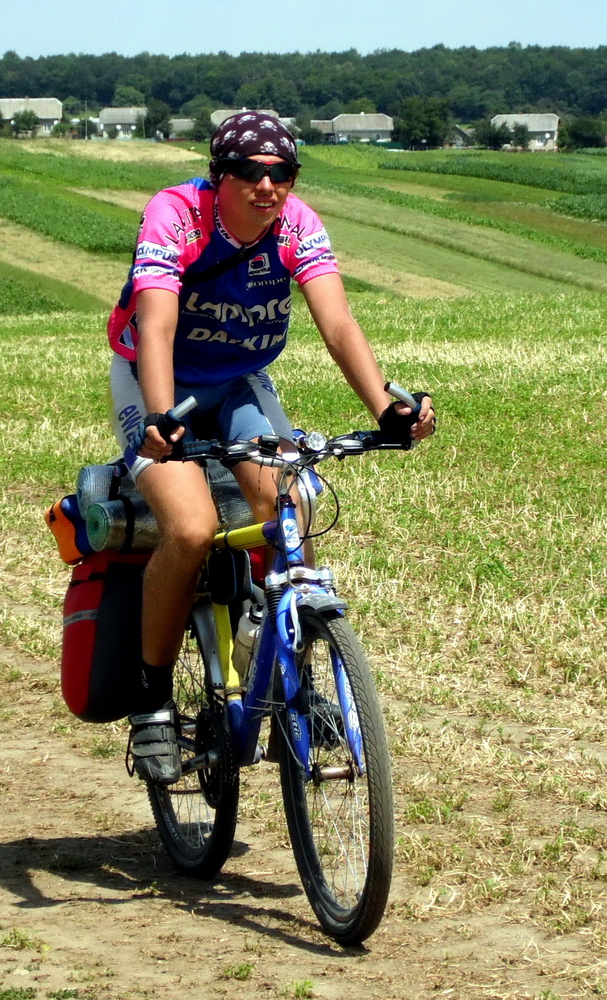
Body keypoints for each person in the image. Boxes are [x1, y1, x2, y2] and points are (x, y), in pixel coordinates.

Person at [107, 112, 435, 785]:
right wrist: (162, 418)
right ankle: (152, 703)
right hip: (155, 379)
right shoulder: (175, 215)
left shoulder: (297, 224)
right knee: (190, 530)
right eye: (250, 172)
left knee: (289, 502)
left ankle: (295, 677)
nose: (267, 185)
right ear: (218, 175)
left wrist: (386, 408)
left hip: (240, 380)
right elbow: (157, 324)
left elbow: (337, 321)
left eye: (282, 172)